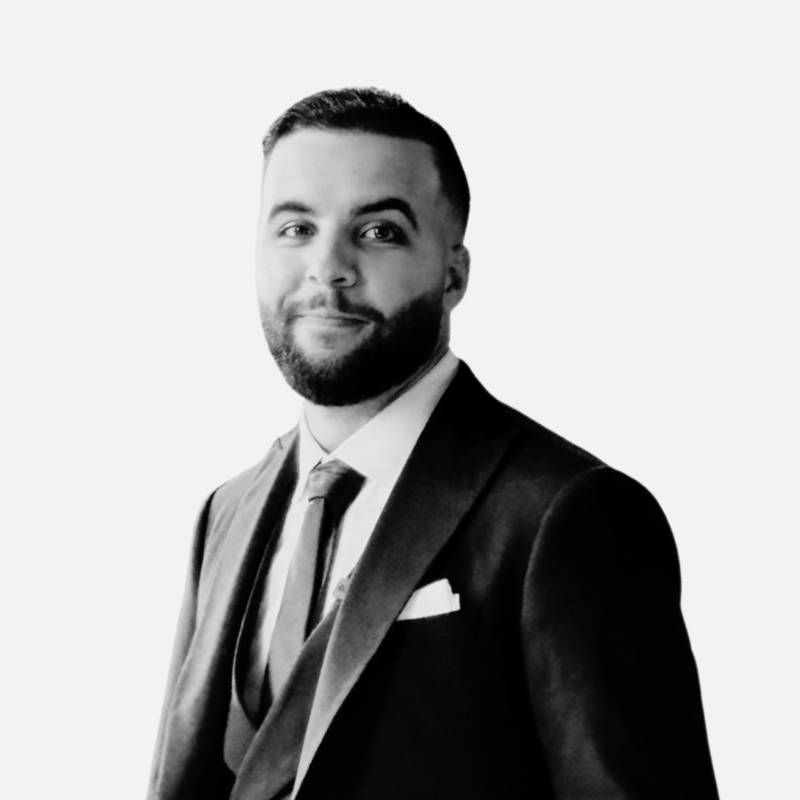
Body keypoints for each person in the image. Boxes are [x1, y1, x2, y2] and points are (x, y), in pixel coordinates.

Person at [148, 88, 719, 800]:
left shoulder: (569, 513)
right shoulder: (224, 514)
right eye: (295, 228)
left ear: (454, 273)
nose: (328, 266)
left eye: (378, 231)